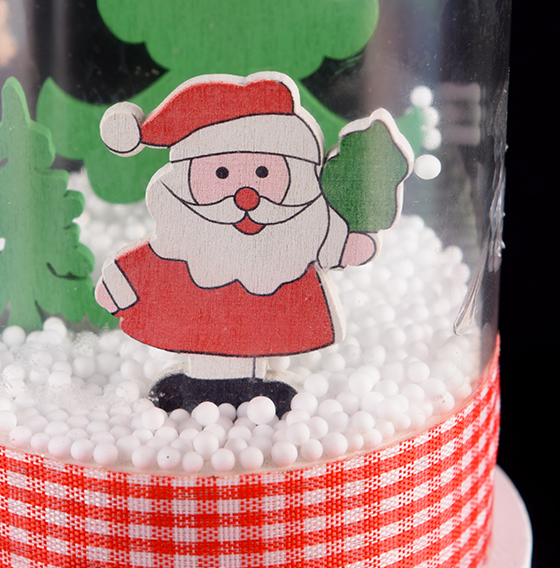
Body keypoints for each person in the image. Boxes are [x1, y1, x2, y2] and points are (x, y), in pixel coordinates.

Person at [94, 73, 400, 414]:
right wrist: (119, 283)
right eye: (221, 174)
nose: (246, 197)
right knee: (204, 339)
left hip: (274, 311)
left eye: (264, 173)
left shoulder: (303, 228)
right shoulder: (183, 242)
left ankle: (249, 386)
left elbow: (324, 241)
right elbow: (148, 259)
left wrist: (350, 244)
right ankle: (205, 384)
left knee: (256, 344)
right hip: (196, 310)